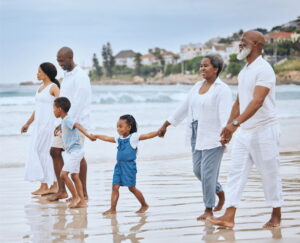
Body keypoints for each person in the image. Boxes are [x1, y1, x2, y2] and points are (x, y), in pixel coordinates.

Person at [207, 31, 282, 229]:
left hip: (265, 129)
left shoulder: (264, 69)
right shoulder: (245, 71)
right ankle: (229, 216)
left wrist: (235, 125)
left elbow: (257, 102)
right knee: (235, 173)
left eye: (244, 41)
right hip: (245, 131)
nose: (240, 44)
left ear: (256, 44)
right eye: (240, 41)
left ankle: (276, 216)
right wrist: (229, 126)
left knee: (270, 174)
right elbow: (240, 101)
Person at [158, 54, 232, 220]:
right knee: (198, 171)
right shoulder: (197, 86)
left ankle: (208, 209)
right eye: (201, 66)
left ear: (216, 69)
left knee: (207, 173)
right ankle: (219, 192)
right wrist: (165, 125)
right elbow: (183, 108)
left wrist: (225, 135)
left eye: (206, 66)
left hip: (214, 135)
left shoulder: (222, 89)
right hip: (195, 133)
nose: (202, 69)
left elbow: (225, 115)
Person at [48, 47, 92, 201]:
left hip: (78, 123)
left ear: (70, 58)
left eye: (61, 60)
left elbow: (79, 103)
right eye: (58, 60)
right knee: (54, 151)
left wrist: (66, 123)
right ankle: (62, 191)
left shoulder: (81, 76)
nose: (59, 63)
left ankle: (83, 193)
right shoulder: (66, 75)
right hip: (65, 121)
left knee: (77, 155)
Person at [91, 114, 158, 214]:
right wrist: (97, 136)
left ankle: (144, 205)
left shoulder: (133, 137)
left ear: (129, 127)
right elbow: (107, 138)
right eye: (117, 126)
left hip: (129, 167)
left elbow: (147, 135)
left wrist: (159, 132)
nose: (118, 129)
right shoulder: (119, 139)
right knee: (115, 187)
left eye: (120, 126)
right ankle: (112, 209)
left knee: (131, 188)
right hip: (118, 167)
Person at [22, 62, 60, 195]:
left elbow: (60, 106)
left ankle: (54, 185)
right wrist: (28, 123)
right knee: (38, 152)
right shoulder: (39, 88)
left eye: (39, 71)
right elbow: (37, 109)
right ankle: (44, 185)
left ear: (46, 73)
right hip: (39, 126)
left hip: (48, 126)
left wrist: (60, 125)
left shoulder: (53, 87)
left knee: (45, 153)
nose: (37, 74)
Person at [53, 97, 95, 208]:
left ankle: (75, 197)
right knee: (75, 176)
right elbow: (68, 134)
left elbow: (77, 125)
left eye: (54, 108)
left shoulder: (67, 119)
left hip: (76, 152)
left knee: (63, 175)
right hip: (75, 152)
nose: (53, 111)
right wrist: (59, 132)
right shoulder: (64, 121)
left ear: (60, 109)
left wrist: (88, 135)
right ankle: (81, 200)